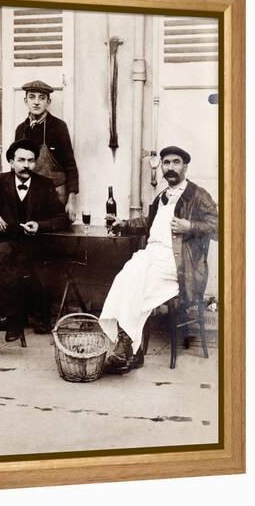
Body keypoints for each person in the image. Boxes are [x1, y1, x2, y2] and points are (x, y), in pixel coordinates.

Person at [99, 145, 218, 373]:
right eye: (166, 163)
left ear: (185, 166)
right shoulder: (162, 195)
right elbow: (148, 222)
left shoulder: (198, 195)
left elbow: (220, 227)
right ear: (161, 166)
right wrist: (122, 224)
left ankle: (131, 351)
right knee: (126, 276)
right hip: (151, 256)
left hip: (179, 264)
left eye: (176, 162)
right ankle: (130, 349)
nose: (170, 167)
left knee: (138, 286)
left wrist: (190, 226)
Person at [0, 139, 69, 363]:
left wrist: (40, 226)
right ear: (11, 162)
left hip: (32, 251)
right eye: (21, 160)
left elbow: (61, 218)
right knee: (2, 258)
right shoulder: (0, 181)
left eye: (31, 160)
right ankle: (13, 318)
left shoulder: (44, 184)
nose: (26, 165)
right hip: (3, 245)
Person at [15, 80, 79, 221]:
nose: (36, 102)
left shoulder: (58, 127)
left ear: (48, 102)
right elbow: (16, 167)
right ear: (26, 101)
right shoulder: (21, 130)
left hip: (55, 196)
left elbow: (70, 165)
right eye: (32, 97)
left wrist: (72, 200)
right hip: (30, 195)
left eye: (42, 98)